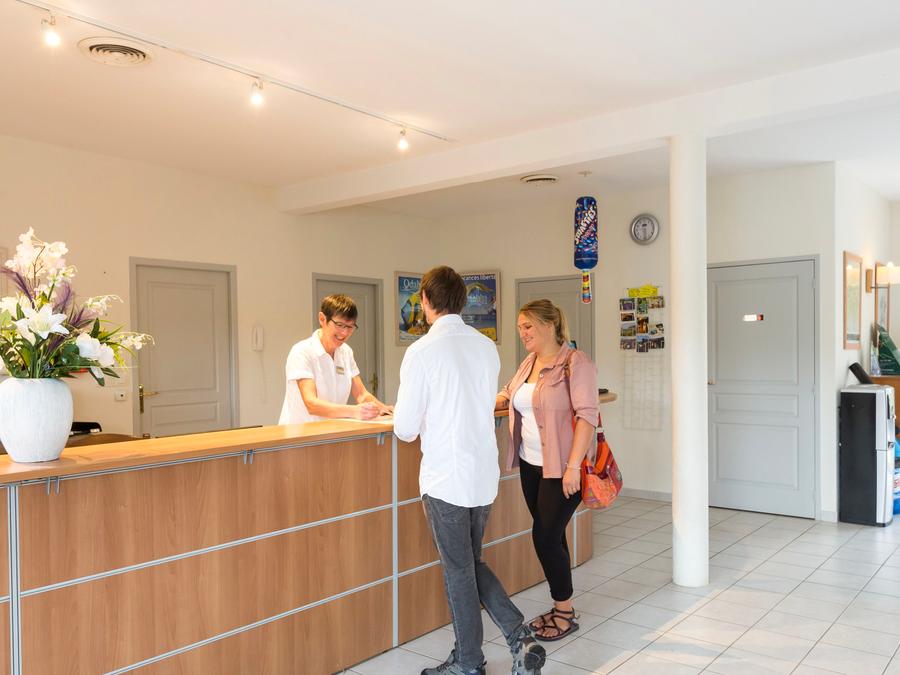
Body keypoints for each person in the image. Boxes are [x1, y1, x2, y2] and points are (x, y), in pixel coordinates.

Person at [393, 266, 546, 675]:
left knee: (460, 570)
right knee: (470, 564)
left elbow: (405, 428)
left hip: (446, 477)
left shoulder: (421, 352)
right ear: (461, 300)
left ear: (426, 300)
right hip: (481, 475)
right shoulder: (485, 346)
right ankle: (517, 638)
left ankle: (469, 661)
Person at [495, 299, 598, 642]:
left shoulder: (576, 362)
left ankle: (565, 612)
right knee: (552, 535)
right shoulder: (529, 362)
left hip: (562, 467)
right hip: (530, 464)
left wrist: (573, 468)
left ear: (550, 325)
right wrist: (481, 401)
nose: (522, 333)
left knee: (544, 536)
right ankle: (561, 606)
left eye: (528, 326)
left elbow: (587, 416)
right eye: (519, 327)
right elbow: (508, 394)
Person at [278, 294, 390, 424]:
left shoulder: (346, 352)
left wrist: (385, 409)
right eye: (339, 325)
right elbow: (311, 404)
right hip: (300, 432)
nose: (344, 333)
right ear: (322, 319)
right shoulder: (302, 352)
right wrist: (354, 411)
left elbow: (361, 395)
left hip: (331, 431)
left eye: (350, 327)